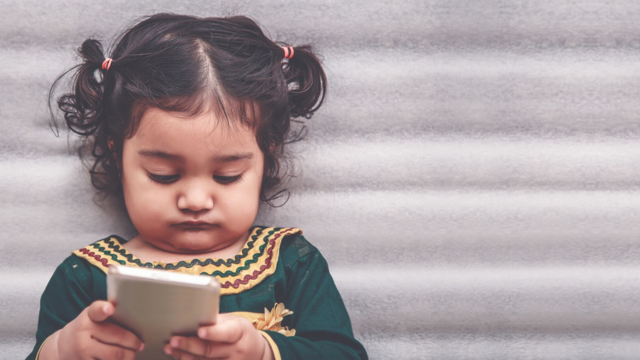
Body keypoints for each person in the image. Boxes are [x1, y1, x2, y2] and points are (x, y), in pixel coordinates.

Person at [26, 13, 368, 360]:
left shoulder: (291, 263)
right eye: (163, 174)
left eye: (227, 176)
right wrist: (62, 349)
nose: (195, 200)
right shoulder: (84, 276)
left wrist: (264, 352)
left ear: (267, 156)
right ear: (118, 157)